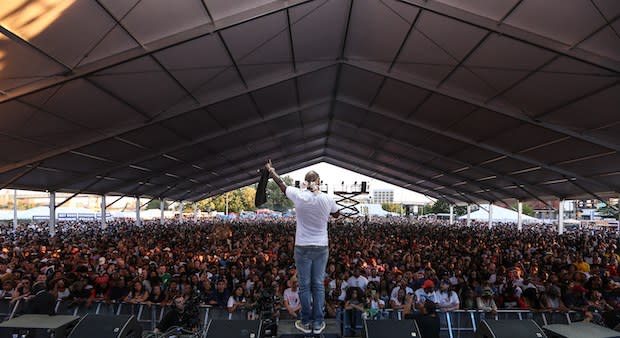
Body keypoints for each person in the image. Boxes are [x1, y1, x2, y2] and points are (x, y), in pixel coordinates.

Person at [266, 160, 339, 335]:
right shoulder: (327, 198)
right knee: (318, 285)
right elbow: (337, 214)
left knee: (305, 286)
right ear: (319, 182)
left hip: (302, 246)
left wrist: (271, 170)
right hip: (321, 246)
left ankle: (306, 321)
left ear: (305, 182)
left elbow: (282, 185)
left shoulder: (299, 195)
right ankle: (319, 321)